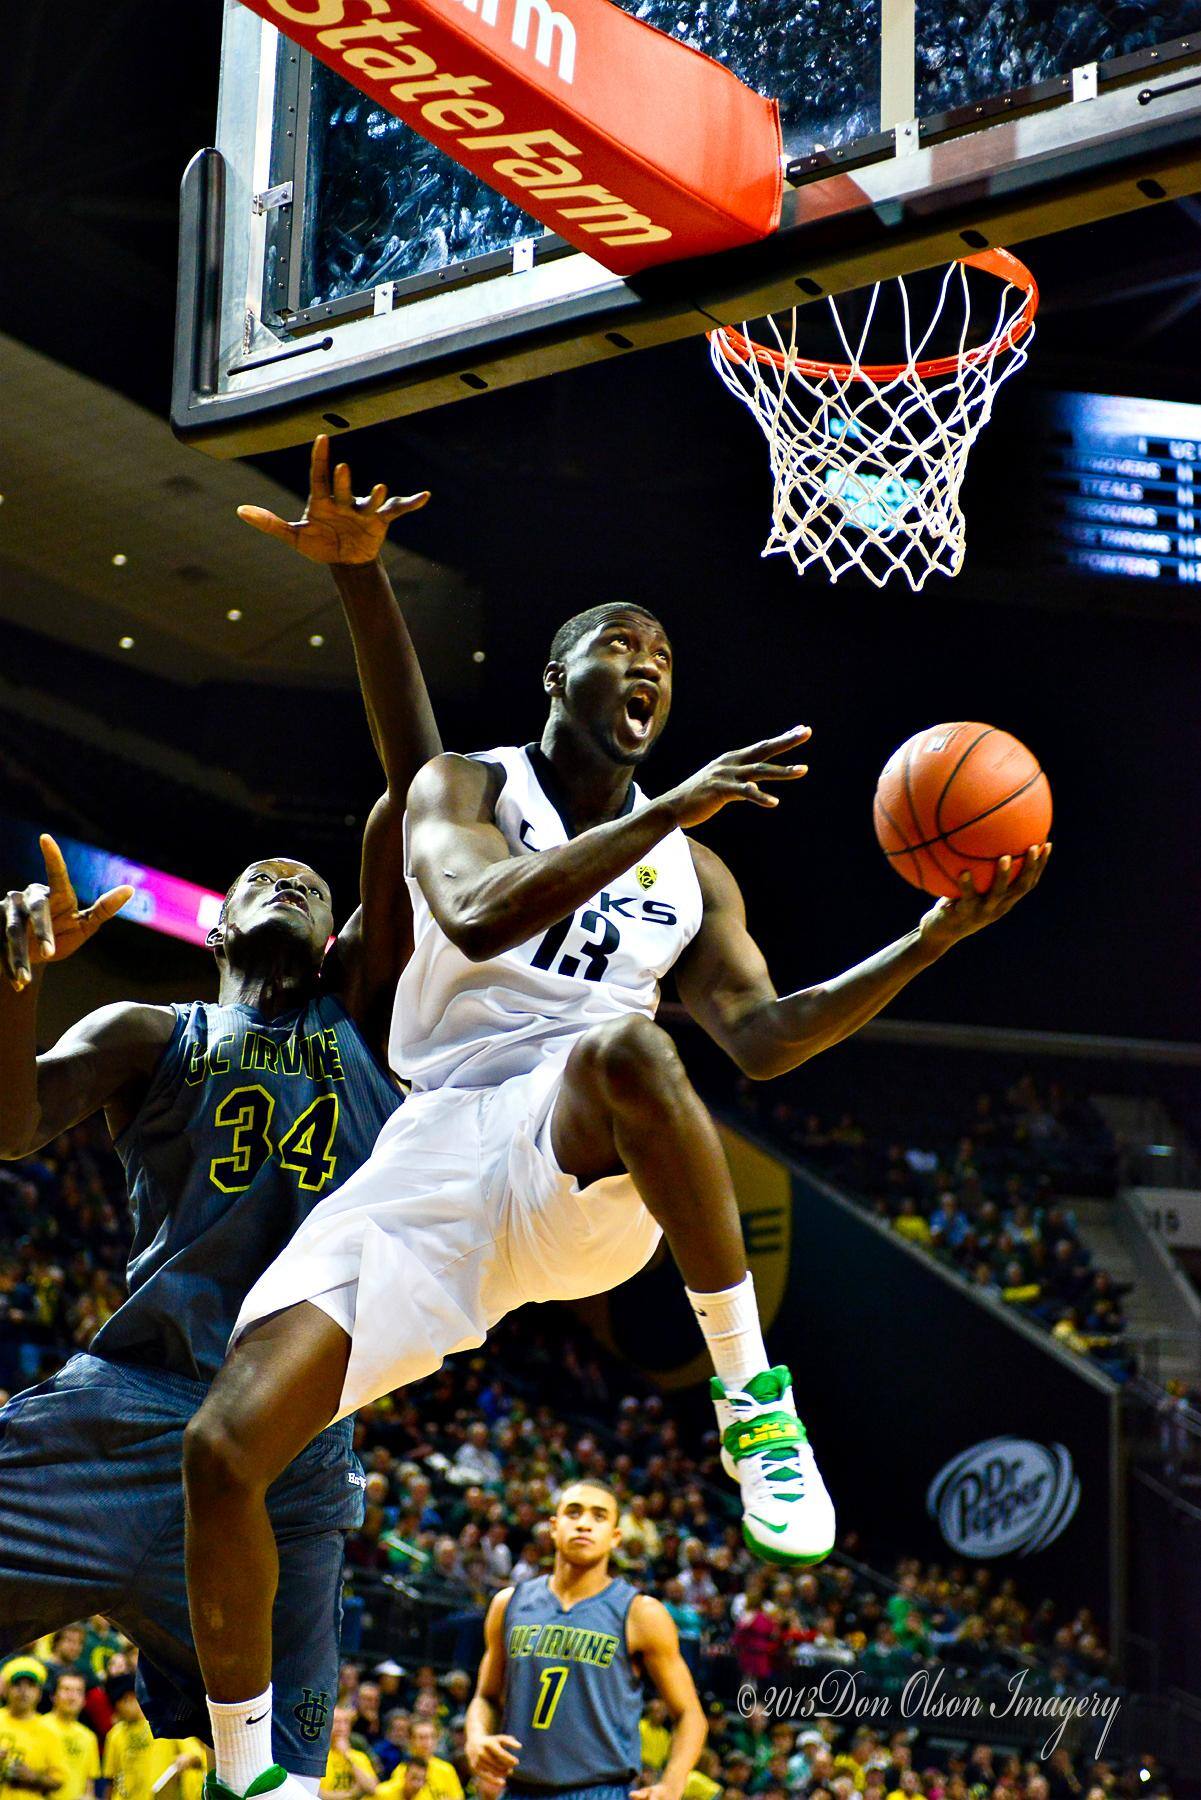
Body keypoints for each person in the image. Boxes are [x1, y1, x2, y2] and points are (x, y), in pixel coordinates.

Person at [183, 603, 1048, 1800]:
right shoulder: (465, 787)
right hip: (435, 1153)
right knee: (222, 1449)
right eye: (623, 644)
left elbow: (761, 1037)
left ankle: (752, 1403)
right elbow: (477, 912)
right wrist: (666, 811)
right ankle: (246, 1775)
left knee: (637, 1054)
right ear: (556, 672)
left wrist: (922, 943)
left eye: (667, 658)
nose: (648, 665)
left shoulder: (692, 873)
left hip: (578, 1150)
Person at [0, 438, 441, 1790]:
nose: (292, 882)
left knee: (283, 1779)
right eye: (265, 873)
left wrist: (364, 587)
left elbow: (416, 791)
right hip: (119, 1410)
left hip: (287, 1453)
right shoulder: (154, 1033)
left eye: (313, 878)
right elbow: (12, 1125)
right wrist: (10, 981)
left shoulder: (370, 1016)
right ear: (219, 930)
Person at [465, 1480, 707, 1800]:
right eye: (574, 1513)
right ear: (554, 1527)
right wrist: (476, 1737)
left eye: (599, 1516)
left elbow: (690, 1714)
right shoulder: (508, 1604)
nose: (584, 1524)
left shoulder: (640, 1613)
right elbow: (485, 1697)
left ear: (615, 1537)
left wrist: (673, 1784)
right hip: (518, 1788)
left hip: (599, 1790)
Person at [100, 1677, 206, 1800]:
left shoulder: (166, 1723)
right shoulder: (114, 1734)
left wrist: (189, 1759)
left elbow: (199, 1757)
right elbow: (111, 1780)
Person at [0, 1659, 64, 1800]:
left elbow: (59, 1781)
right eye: (17, 1685)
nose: (23, 1691)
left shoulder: (49, 1731)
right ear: (6, 1690)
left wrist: (33, 1777)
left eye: (30, 1685)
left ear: (39, 1693)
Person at [44, 1673, 100, 1800]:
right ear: (53, 1696)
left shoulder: (88, 1737)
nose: (72, 1696)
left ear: (84, 1700)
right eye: (66, 1689)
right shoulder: (39, 1727)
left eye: (78, 1691)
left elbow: (89, 1785)